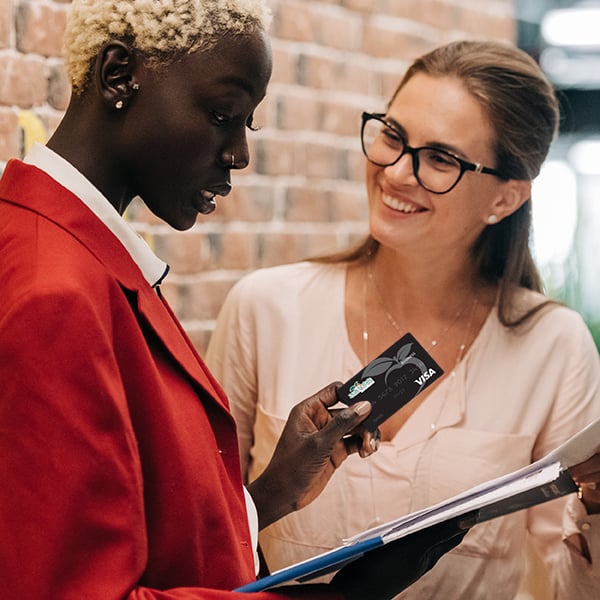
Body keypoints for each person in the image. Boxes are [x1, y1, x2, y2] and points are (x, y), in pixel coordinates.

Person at [0, 1, 473, 598]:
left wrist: (271, 493)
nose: (238, 156)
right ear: (119, 76)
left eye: (245, 124)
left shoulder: (76, 256)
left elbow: (147, 543)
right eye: (222, 114)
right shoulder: (54, 290)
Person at [206, 40, 600, 599]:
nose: (395, 172)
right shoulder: (266, 309)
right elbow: (201, 539)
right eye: (392, 135)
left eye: (440, 158)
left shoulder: (553, 346)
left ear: (505, 200)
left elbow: (567, 588)